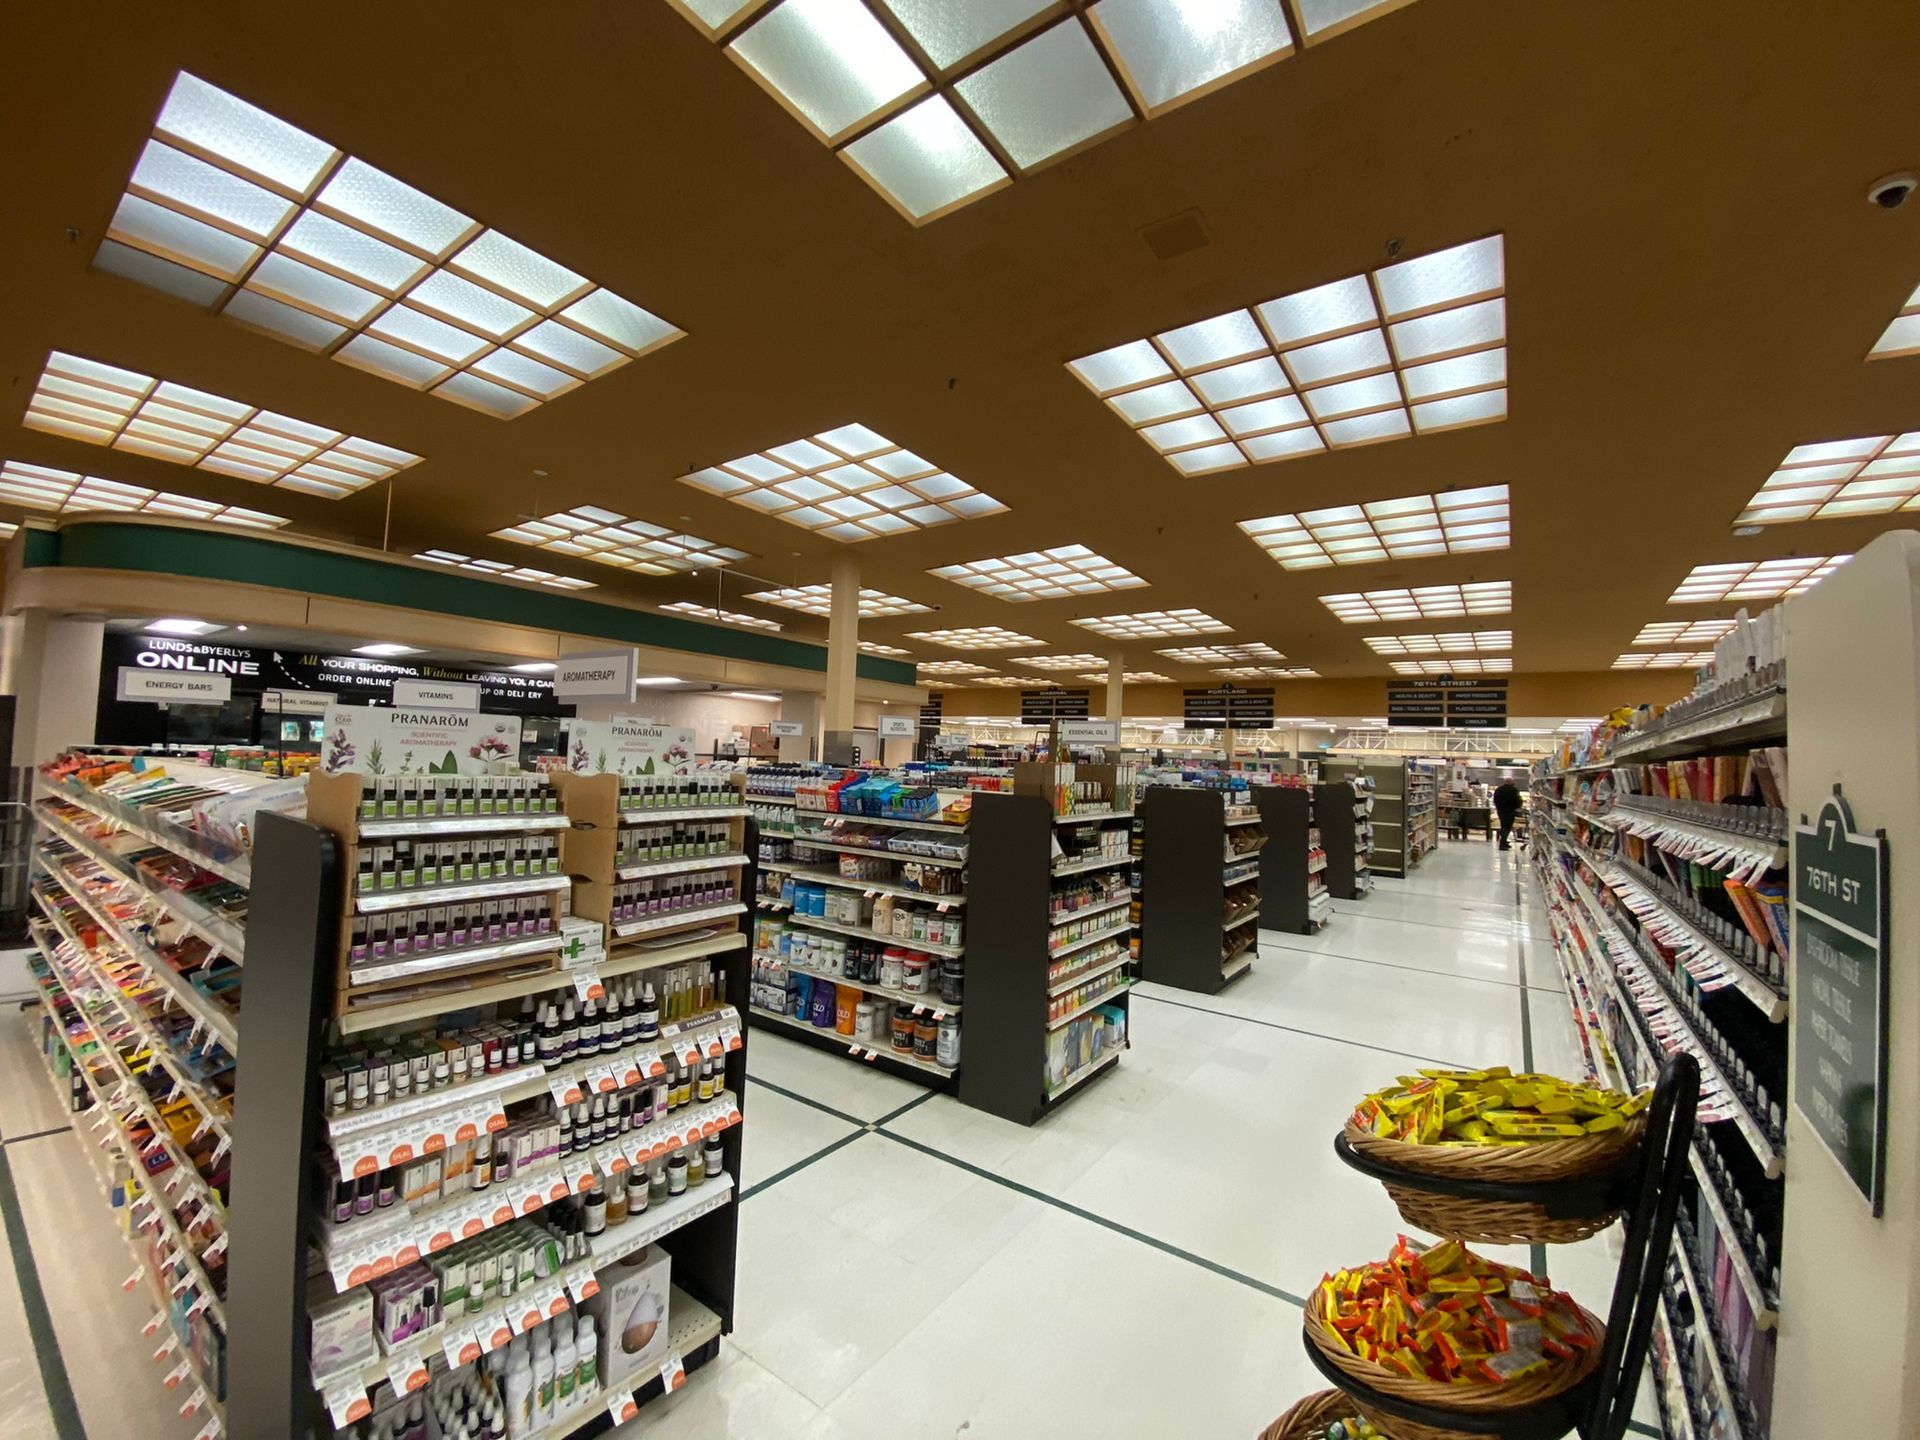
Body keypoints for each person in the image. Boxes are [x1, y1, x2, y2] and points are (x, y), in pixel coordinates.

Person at [1493, 780, 1521, 850]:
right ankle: (1502, 843)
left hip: (1501, 811)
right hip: (1510, 811)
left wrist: (1498, 808)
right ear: (1511, 783)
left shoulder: (1498, 789)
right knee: (1507, 827)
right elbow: (1518, 800)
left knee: (1503, 825)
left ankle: (1504, 842)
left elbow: (1495, 800)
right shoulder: (1514, 790)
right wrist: (1518, 807)